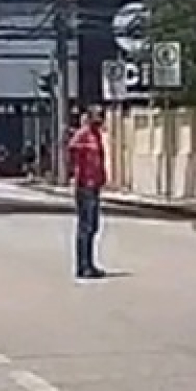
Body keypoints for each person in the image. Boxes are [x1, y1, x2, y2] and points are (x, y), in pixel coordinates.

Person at [68, 105, 107, 279]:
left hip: (95, 185)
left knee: (93, 226)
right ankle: (82, 266)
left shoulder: (97, 135)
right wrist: (77, 175)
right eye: (97, 116)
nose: (100, 119)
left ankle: (89, 263)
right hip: (85, 186)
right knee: (86, 226)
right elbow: (72, 151)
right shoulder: (83, 134)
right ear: (90, 117)